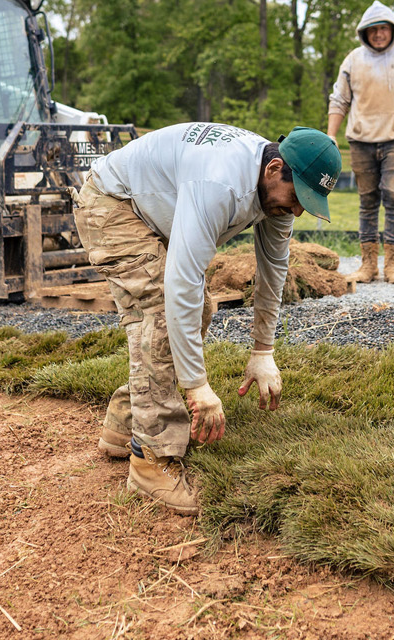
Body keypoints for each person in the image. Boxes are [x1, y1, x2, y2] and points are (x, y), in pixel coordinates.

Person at [74, 122, 341, 515]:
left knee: (198, 308)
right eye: (298, 196)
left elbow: (273, 272)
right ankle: (151, 461)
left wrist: (263, 351)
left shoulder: (277, 192)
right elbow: (180, 284)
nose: (298, 210)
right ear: (274, 169)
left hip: (147, 207)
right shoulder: (220, 184)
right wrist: (197, 386)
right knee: (161, 314)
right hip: (112, 203)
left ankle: (124, 422)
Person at [326, 1, 394, 285]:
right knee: (367, 201)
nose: (378, 34)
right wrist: (331, 135)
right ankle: (368, 265)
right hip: (361, 141)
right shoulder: (353, 60)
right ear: (364, 32)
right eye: (373, 29)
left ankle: (393, 265)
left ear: (393, 30)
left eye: (383, 28)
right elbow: (339, 99)